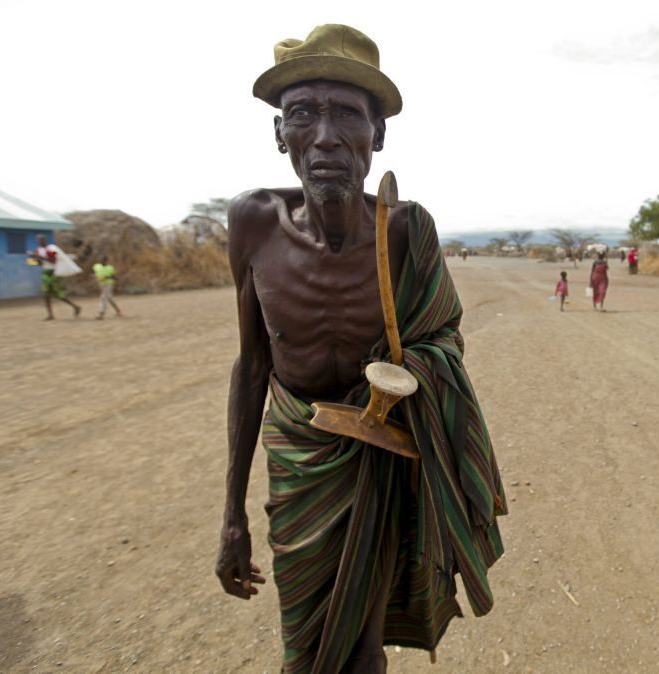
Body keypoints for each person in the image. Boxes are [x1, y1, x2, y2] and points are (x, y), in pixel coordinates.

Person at [215, 25, 506, 674]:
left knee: (363, 645)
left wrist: (411, 375)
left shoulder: (406, 230)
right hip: (299, 460)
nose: (324, 137)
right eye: (302, 114)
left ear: (377, 134)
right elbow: (253, 365)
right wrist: (231, 513)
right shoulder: (252, 223)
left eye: (346, 114)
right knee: (304, 647)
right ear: (278, 133)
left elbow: (443, 338)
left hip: (378, 463)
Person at [29, 234, 82, 320]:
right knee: (47, 294)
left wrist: (38, 257)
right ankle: (52, 314)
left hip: (53, 273)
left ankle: (74, 307)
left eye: (41, 240)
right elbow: (41, 263)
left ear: (45, 240)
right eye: (38, 240)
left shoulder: (51, 249)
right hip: (45, 273)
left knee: (55, 293)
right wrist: (34, 259)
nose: (40, 242)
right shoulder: (39, 250)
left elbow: (53, 261)